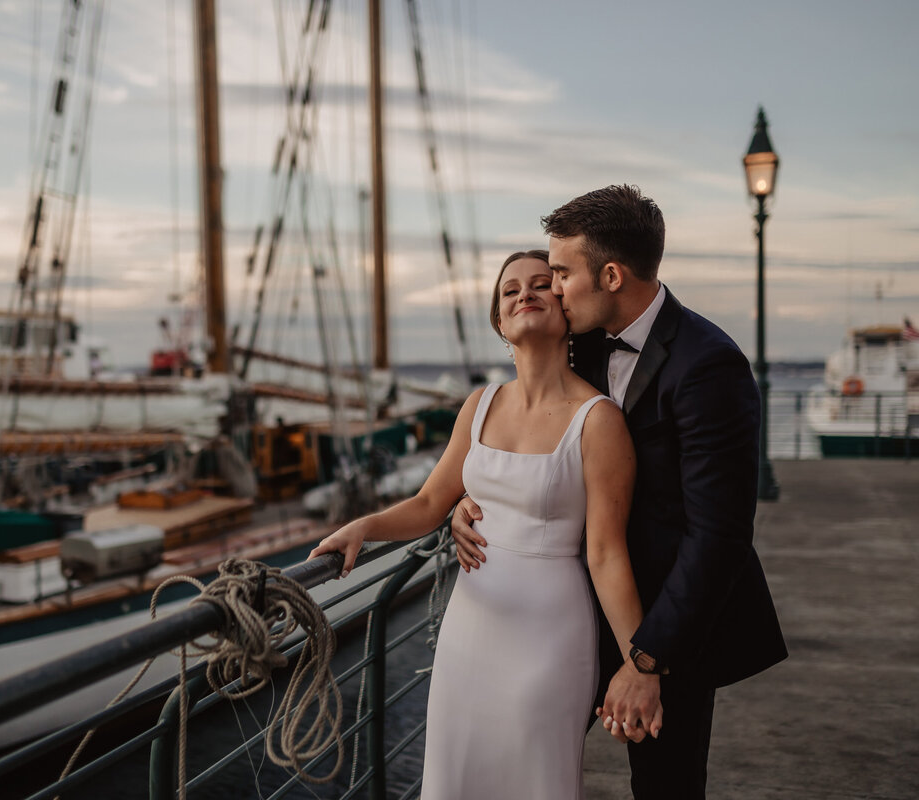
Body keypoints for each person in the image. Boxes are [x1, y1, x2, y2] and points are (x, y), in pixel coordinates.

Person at [452, 185, 788, 799]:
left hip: (668, 621)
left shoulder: (708, 364)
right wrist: (473, 501)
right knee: (513, 771)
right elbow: (529, 437)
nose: (551, 288)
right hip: (567, 615)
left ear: (610, 274)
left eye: (561, 272)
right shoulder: (577, 339)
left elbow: (719, 536)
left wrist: (648, 659)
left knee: (665, 786)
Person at [310, 250, 652, 798]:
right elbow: (427, 503)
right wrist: (363, 527)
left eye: (543, 284)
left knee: (533, 777)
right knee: (457, 776)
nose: (525, 294)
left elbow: (606, 554)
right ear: (499, 321)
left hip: (551, 636)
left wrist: (641, 664)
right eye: (510, 290)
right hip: (469, 629)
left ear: (565, 310)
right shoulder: (480, 404)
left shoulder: (598, 420)